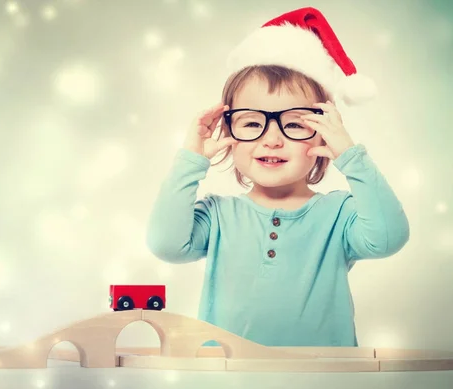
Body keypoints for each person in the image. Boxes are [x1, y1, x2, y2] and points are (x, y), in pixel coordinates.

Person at [145, 7, 410, 347]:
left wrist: (351, 157)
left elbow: (389, 238)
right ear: (229, 134)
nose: (272, 138)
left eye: (295, 124)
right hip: (228, 379)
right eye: (253, 123)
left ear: (323, 136)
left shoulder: (339, 214)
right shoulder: (218, 215)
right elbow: (166, 244)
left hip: (322, 379)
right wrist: (189, 161)